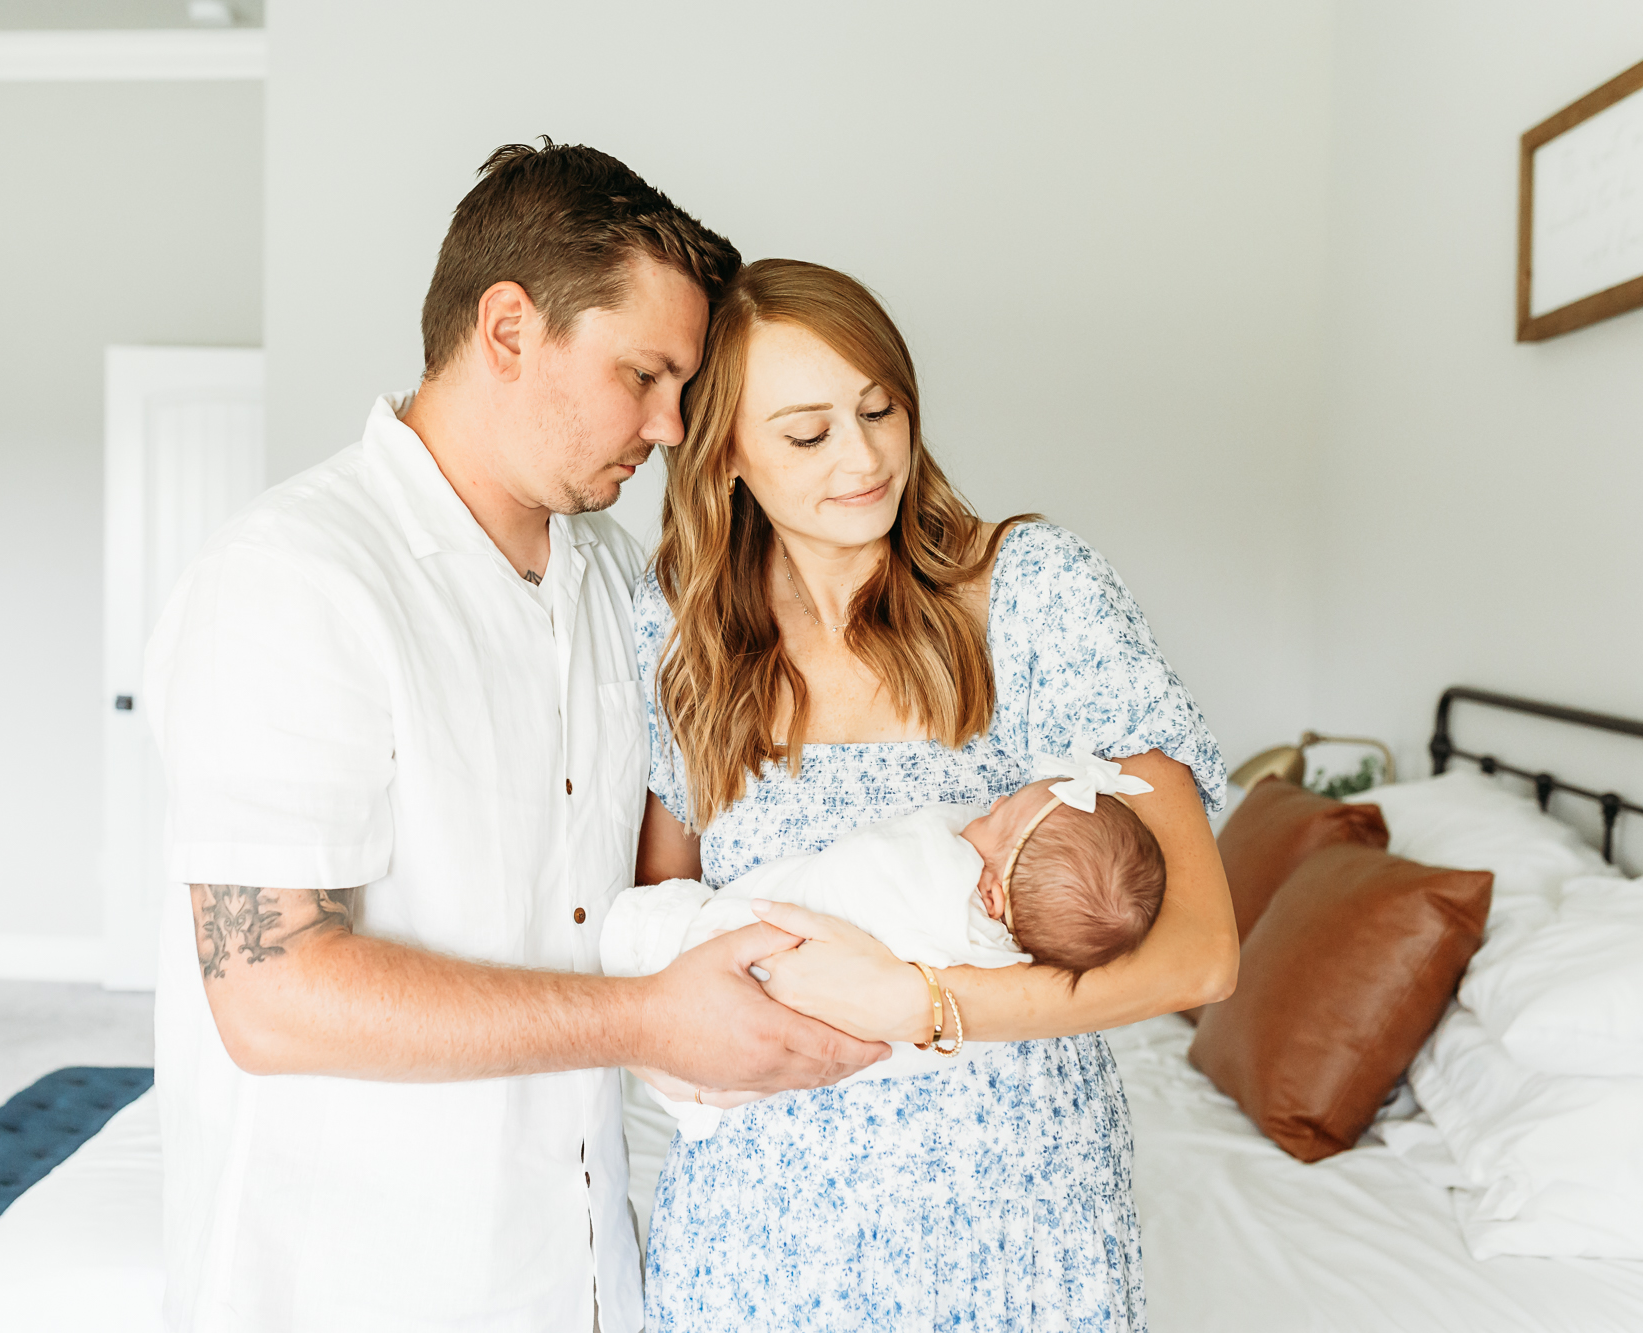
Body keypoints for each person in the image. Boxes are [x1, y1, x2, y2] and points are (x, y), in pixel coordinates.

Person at [143, 147, 888, 1333]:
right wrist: (649, 1015)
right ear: (506, 329)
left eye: (684, 386)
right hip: (350, 1286)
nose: (671, 423)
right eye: (642, 373)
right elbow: (268, 990)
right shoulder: (294, 579)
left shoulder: (605, 584)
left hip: (573, 1273)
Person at [632, 258, 1238, 1330]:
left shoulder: (1032, 591)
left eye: (880, 408)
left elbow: (1199, 948)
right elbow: (661, 925)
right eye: (806, 434)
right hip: (765, 1226)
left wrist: (920, 1001)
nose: (864, 458)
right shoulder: (681, 633)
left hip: (1016, 1213)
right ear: (723, 451)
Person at [605, 751, 1167, 1140]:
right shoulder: (1009, 962)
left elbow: (872, 861)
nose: (985, 807)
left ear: (992, 895)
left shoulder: (940, 876)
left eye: (997, 816)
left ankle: (658, 952)